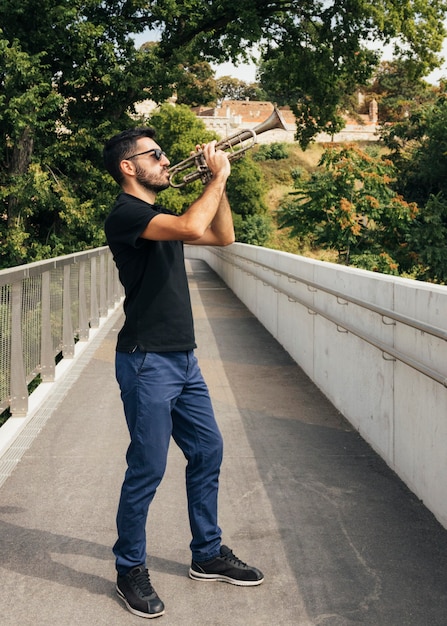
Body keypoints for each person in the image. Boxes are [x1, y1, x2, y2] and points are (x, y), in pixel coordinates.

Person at [103, 127, 264, 619]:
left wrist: (222, 181)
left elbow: (221, 234)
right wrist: (215, 175)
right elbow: (195, 228)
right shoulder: (127, 213)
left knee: (208, 449)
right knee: (148, 467)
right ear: (129, 167)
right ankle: (129, 567)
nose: (167, 160)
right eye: (156, 155)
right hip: (147, 359)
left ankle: (207, 553)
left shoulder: (159, 214)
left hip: (183, 357)